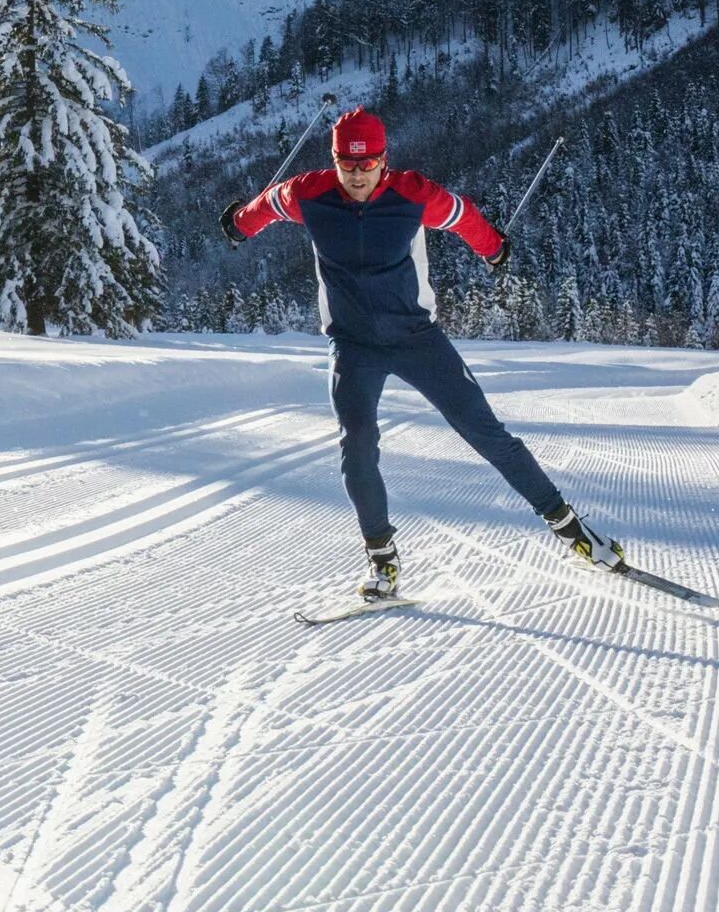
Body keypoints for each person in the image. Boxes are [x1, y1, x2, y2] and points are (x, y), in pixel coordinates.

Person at [218, 107, 621, 601]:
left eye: (368, 166)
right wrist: (239, 225)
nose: (358, 176)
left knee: (484, 432)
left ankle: (573, 532)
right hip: (352, 343)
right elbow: (266, 205)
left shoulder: (413, 194)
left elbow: (465, 216)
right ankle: (382, 561)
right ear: (335, 160)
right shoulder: (308, 192)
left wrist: (493, 249)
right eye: (348, 165)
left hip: (417, 339)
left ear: (384, 160)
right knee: (358, 442)